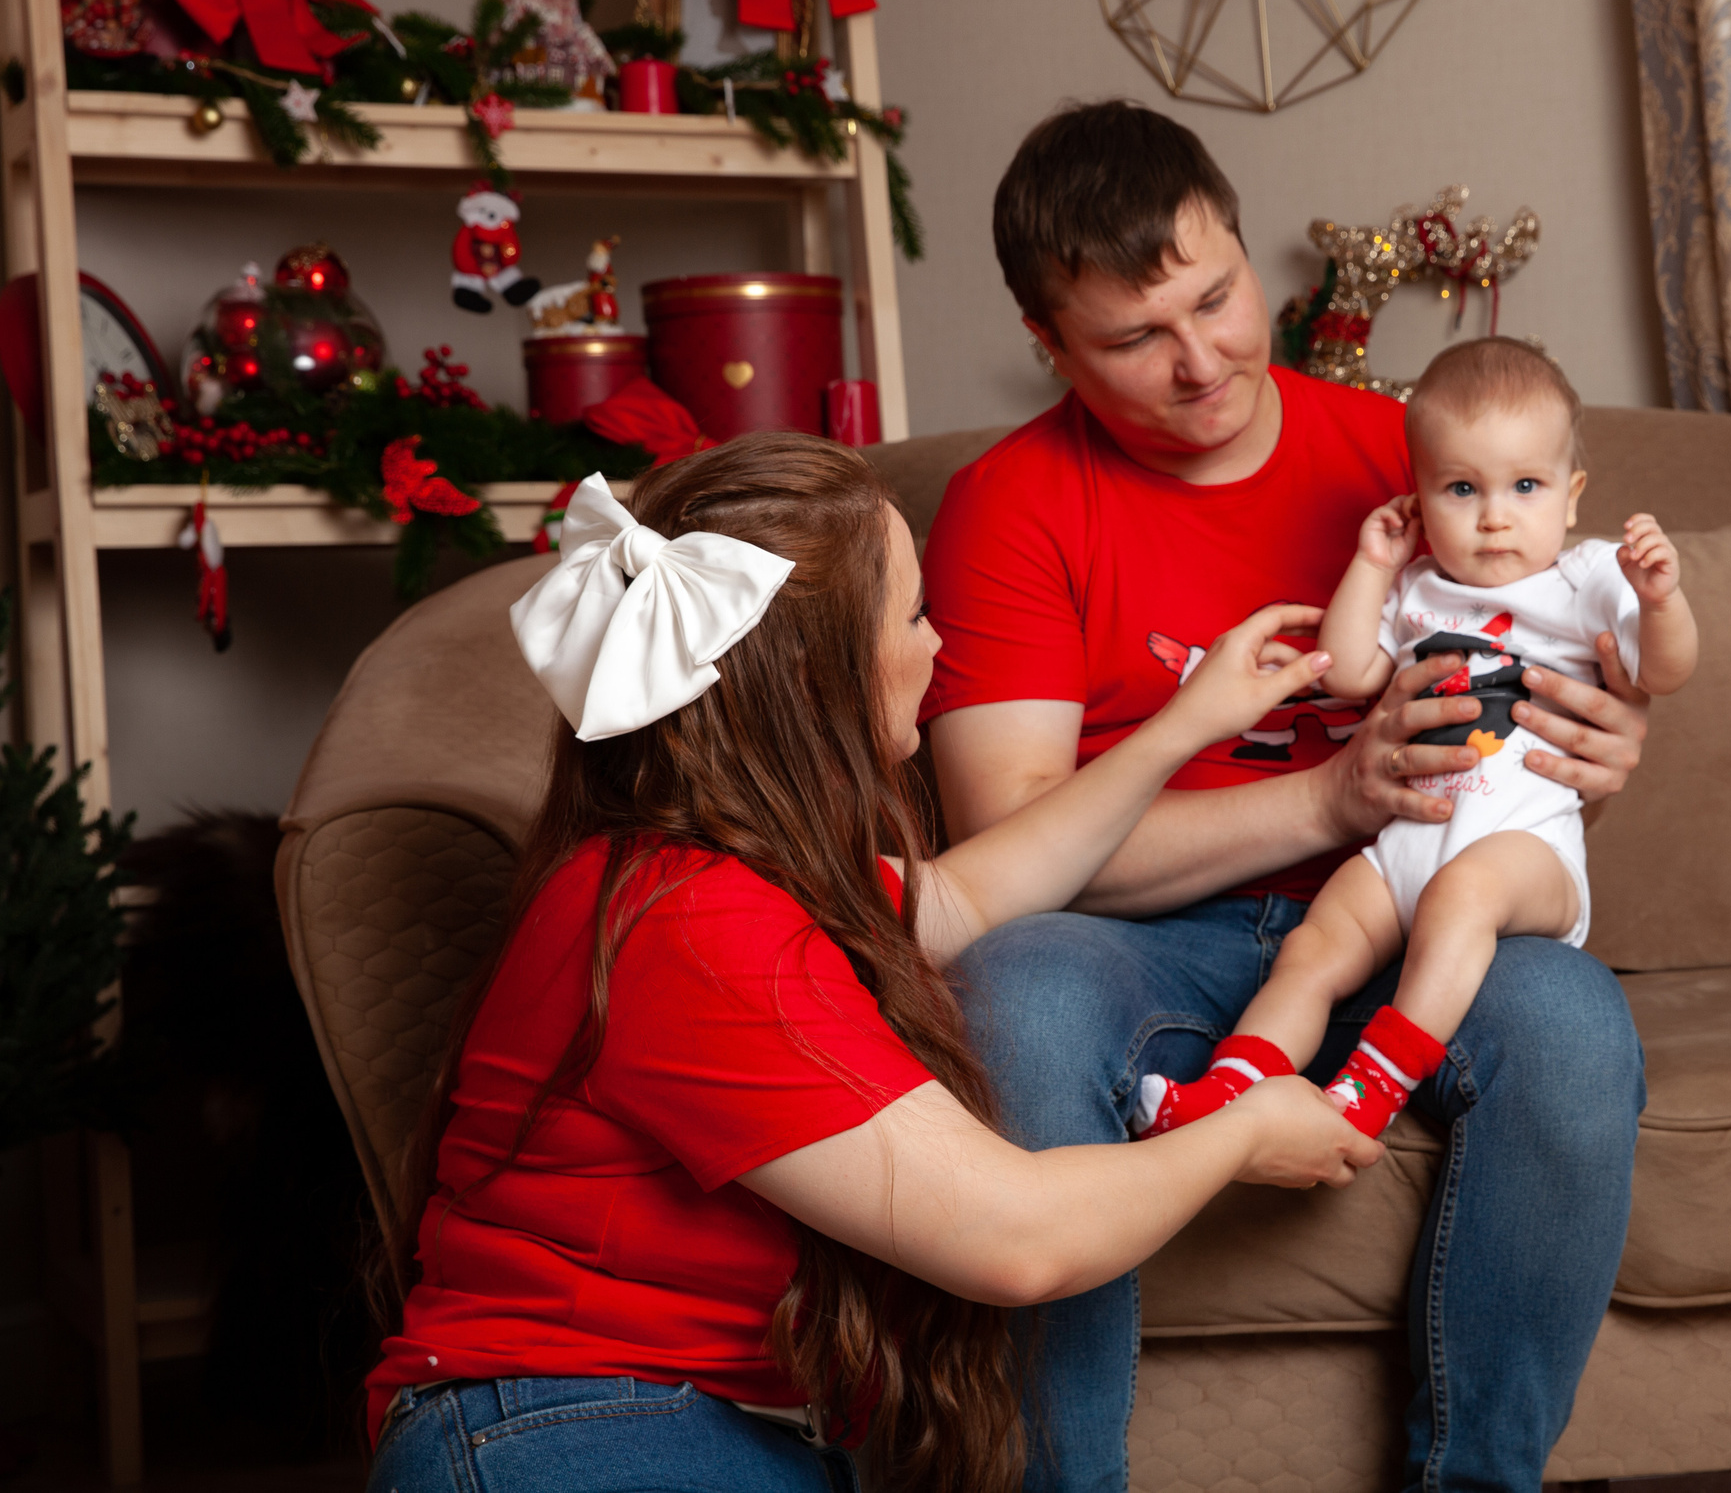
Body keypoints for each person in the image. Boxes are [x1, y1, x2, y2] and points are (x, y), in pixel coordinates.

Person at [364, 439, 1380, 1493]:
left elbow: (977, 892)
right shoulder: (690, 925)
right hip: (574, 1432)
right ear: (812, 673)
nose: (939, 644)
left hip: (658, 1426)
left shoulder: (713, 873)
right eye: (911, 615)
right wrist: (1243, 1129)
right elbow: (1016, 1239)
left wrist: (1188, 725)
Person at [925, 101, 1652, 1492]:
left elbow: (1545, 691)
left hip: (1415, 898)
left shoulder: (1407, 446)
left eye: (1216, 297)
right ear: (1050, 347)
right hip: (1143, 934)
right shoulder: (1006, 507)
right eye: (1138, 338)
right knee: (1013, 987)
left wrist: (1595, 755)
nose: (1201, 360)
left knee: (1568, 1018)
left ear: (1248, 253)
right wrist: (1330, 797)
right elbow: (1009, 855)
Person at [1136, 339, 1696, 1140]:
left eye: (1526, 486)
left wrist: (1662, 600)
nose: (1495, 515)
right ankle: (1232, 1086)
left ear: (1572, 497)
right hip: (1407, 842)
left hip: (1522, 849)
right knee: (1314, 947)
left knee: (1461, 895)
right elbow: (1351, 671)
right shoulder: (1418, 585)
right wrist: (1371, 565)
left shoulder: (1589, 576)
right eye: (1462, 488)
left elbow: (1663, 671)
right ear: (1420, 499)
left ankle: (1376, 1079)